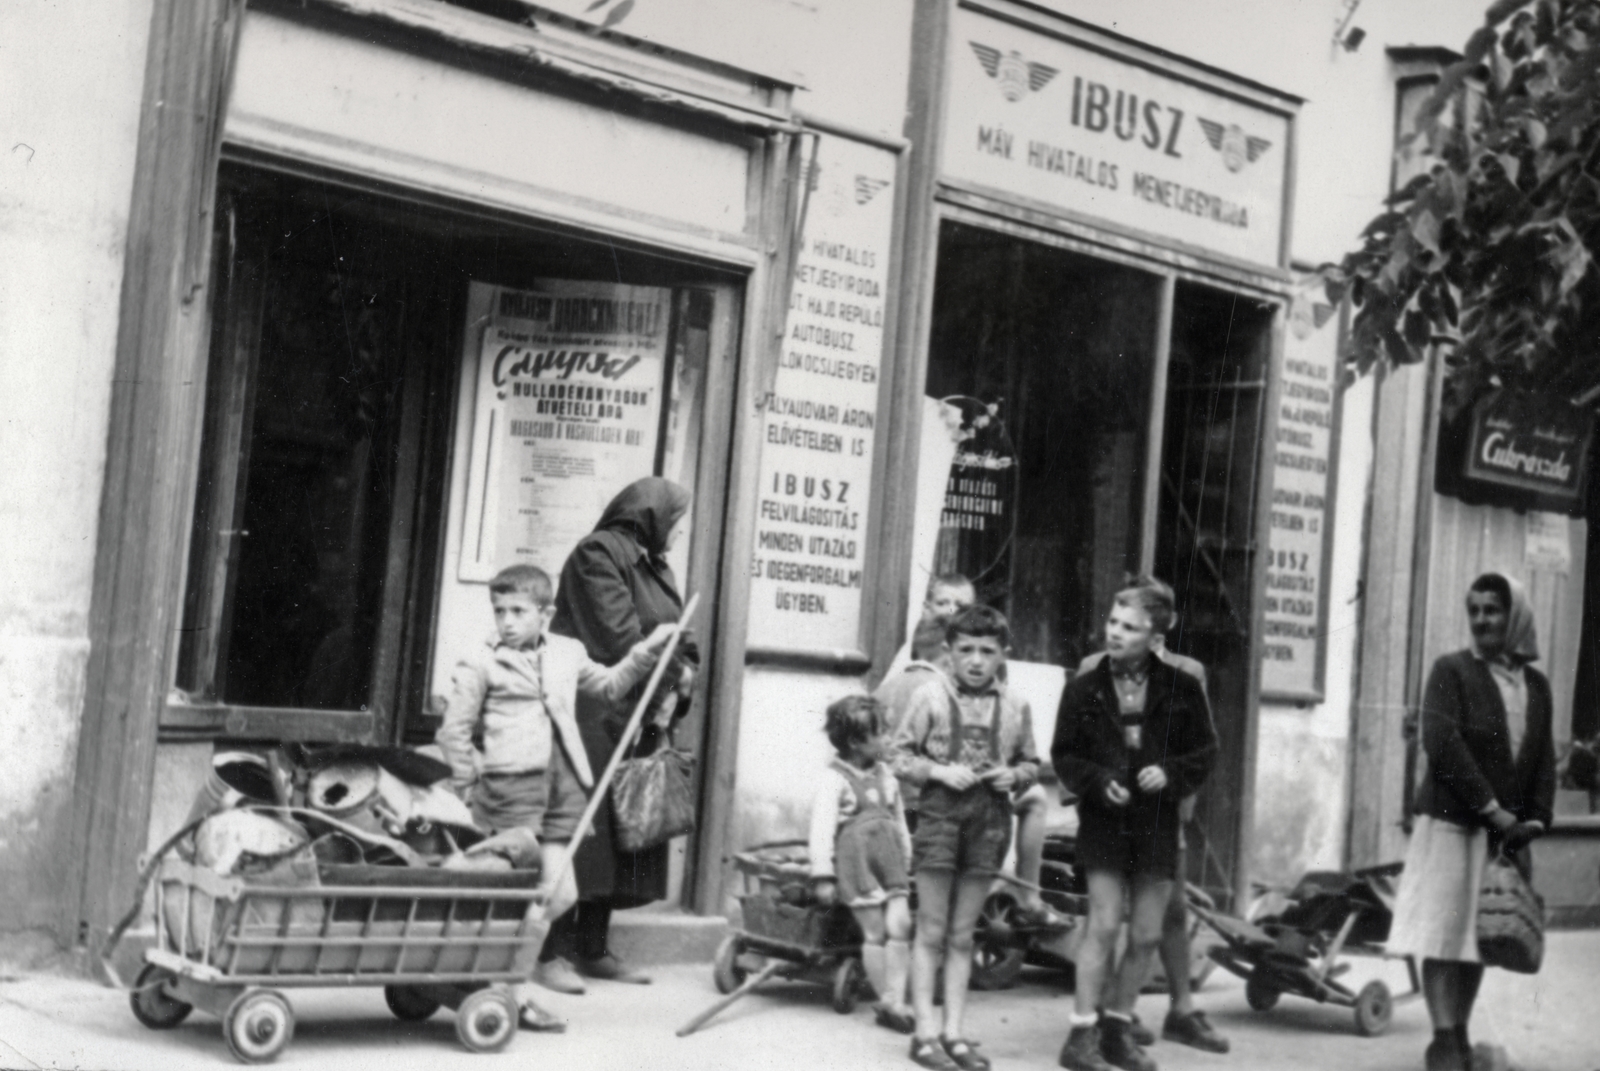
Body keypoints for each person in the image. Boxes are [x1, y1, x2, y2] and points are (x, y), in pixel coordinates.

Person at [434, 562, 673, 1030]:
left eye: (518, 611)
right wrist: (465, 785)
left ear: (546, 613)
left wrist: (646, 653)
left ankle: (499, 978)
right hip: (510, 789)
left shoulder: (567, 652)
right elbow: (454, 732)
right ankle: (509, 992)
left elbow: (606, 687)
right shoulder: (480, 661)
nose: (506, 621)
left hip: (562, 786)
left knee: (559, 891)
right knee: (518, 892)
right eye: (499, 610)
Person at [1388, 572, 1555, 1071]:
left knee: (1479, 935)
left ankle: (1460, 1029)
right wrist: (1492, 808)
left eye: (1493, 610)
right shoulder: (1451, 670)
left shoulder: (1537, 685)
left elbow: (1542, 758)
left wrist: (1538, 821)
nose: (1482, 620)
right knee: (1443, 931)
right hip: (1453, 825)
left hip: (1499, 835)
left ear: (1516, 616)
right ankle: (1442, 1038)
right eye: (1475, 610)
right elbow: (1442, 745)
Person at [537, 476, 699, 994]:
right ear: (651, 515)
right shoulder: (597, 555)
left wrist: (683, 677)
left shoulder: (655, 564)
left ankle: (593, 948)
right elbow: (618, 636)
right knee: (584, 834)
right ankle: (549, 953)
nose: (679, 533)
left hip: (643, 713)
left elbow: (681, 638)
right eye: (677, 521)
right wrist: (675, 677)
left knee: (623, 836)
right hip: (596, 712)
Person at [1053, 581, 1218, 1071]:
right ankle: (1080, 1034)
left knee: (1146, 933)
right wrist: (1098, 780)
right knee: (1103, 925)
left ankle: (1117, 1028)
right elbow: (1065, 754)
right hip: (1104, 822)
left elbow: (1205, 752)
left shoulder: (1182, 687)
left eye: (1129, 626)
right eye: (1112, 622)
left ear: (1156, 635)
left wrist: (1169, 772)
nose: (1116, 633)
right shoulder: (1084, 686)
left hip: (1157, 822)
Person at [891, 604, 1040, 1071]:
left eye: (987, 651)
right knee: (932, 929)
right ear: (949, 653)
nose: (976, 660)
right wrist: (936, 770)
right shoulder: (929, 697)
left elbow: (1033, 764)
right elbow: (897, 756)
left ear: (1003, 655)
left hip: (990, 821)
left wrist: (1012, 775)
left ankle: (954, 1033)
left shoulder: (1016, 705)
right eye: (966, 650)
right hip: (940, 818)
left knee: (963, 934)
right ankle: (924, 1033)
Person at [876, 577, 1064, 930]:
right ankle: (1029, 897)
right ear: (948, 657)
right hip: (934, 805)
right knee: (1036, 798)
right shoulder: (937, 694)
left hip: (890, 806)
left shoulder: (886, 686)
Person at [809, 695, 917, 1035]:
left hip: (889, 859)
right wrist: (823, 874)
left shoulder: (888, 777)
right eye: (881, 733)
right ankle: (888, 1000)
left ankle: (897, 996)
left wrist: (907, 856)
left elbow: (898, 820)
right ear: (856, 742)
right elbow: (822, 828)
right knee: (875, 932)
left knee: (900, 927)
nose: (888, 738)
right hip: (858, 862)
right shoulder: (835, 779)